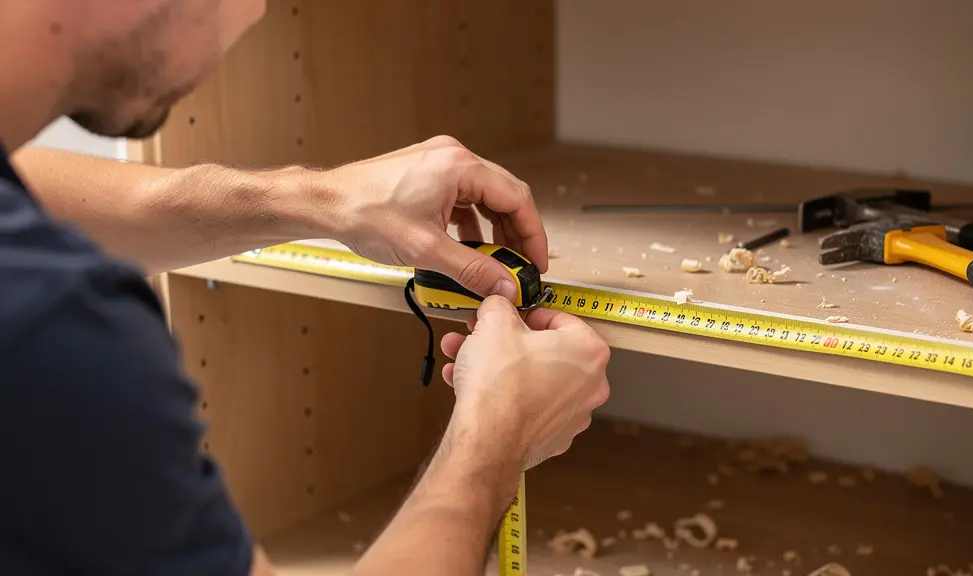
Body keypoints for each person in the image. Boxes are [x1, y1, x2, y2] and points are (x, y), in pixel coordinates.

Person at [0, 2, 611, 575]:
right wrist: (496, 439)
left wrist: (315, 197)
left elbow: (27, 189)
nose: (260, 11)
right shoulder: (54, 326)